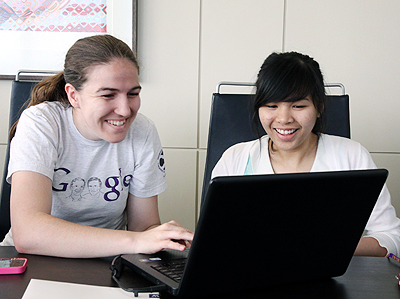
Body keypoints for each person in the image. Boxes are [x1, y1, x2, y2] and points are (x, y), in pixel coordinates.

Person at [0, 34, 193, 258]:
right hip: (32, 259)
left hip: (105, 260)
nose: (125, 110)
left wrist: (162, 238)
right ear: (73, 96)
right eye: (108, 95)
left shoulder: (143, 131)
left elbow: (143, 229)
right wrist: (136, 241)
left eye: (133, 94)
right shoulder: (42, 123)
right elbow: (29, 233)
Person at [212, 51, 400, 257]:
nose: (283, 119)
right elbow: (212, 239)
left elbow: (391, 238)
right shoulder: (235, 158)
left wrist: (325, 247)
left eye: (298, 106)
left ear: (319, 106)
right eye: (271, 106)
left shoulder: (351, 156)